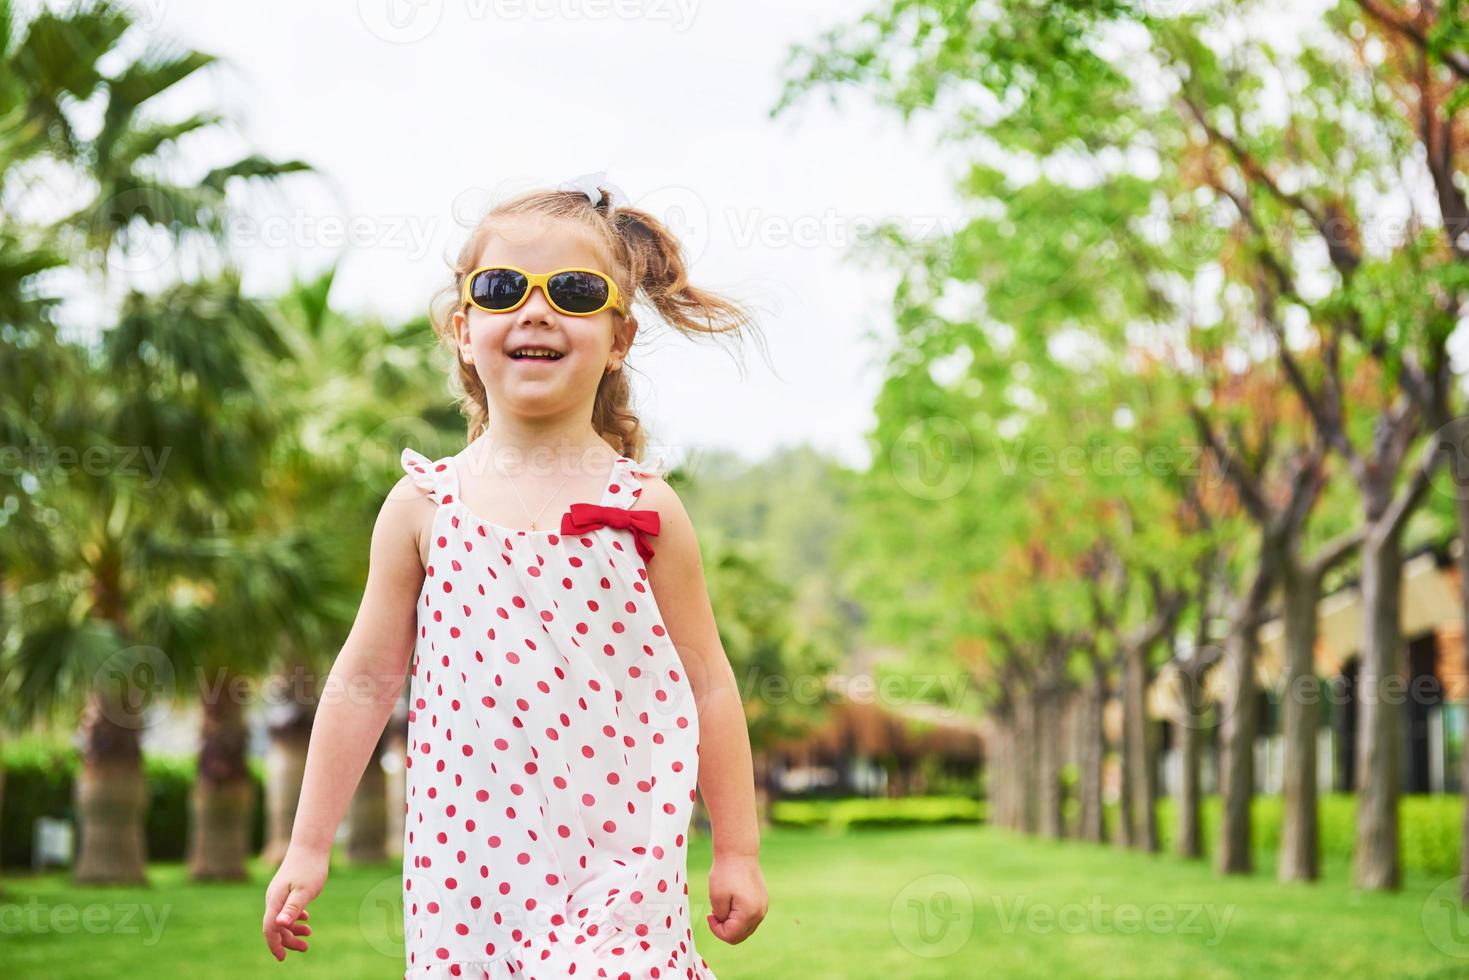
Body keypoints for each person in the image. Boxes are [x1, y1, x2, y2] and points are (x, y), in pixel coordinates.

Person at [262, 173, 769, 977]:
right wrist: (307, 844)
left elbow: (707, 682)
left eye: (573, 291)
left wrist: (736, 848)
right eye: (502, 289)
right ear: (464, 329)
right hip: (467, 885)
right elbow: (363, 678)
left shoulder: (645, 508)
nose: (536, 310)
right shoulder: (423, 506)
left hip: (619, 866)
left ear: (619, 340)